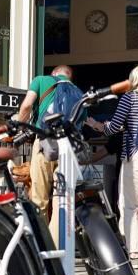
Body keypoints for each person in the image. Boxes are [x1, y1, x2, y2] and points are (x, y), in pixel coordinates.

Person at [86, 64, 138, 269]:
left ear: (133, 80)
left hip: (136, 156)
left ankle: (134, 255)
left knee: (129, 206)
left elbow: (111, 128)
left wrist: (96, 125)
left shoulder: (130, 98)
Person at [14, 65, 82, 221]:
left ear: (54, 73)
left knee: (39, 198)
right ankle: (59, 242)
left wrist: (18, 125)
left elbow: (26, 106)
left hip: (44, 143)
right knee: (62, 201)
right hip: (68, 147)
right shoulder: (78, 92)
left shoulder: (41, 80)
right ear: (69, 77)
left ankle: (42, 244)